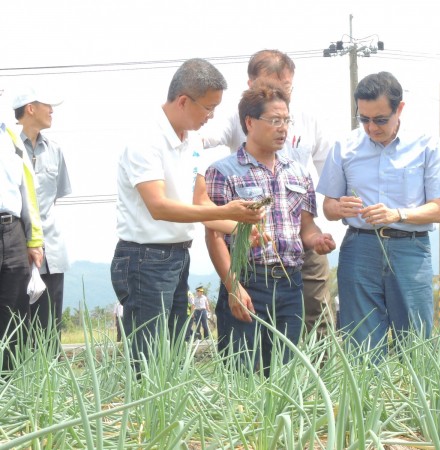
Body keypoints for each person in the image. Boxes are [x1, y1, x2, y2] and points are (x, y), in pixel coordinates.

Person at [110, 58, 266, 366]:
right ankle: (145, 412)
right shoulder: (145, 141)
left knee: (173, 353)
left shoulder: (192, 140)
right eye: (208, 108)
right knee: (149, 358)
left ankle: (161, 412)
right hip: (144, 258)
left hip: (178, 256)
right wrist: (227, 210)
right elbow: (158, 206)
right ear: (183, 101)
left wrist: (239, 223)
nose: (211, 116)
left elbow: (201, 202)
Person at [317, 72, 440, 355]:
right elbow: (328, 207)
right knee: (361, 343)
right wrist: (339, 208)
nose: (371, 127)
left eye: (380, 119)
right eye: (364, 119)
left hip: (410, 249)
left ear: (400, 109)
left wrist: (397, 214)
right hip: (360, 248)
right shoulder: (344, 147)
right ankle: (366, 399)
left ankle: (418, 397)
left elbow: (438, 210)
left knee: (417, 342)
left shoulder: (427, 145)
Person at [202, 82, 336, 375]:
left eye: (286, 120)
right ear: (249, 122)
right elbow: (214, 236)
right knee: (243, 376)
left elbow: (306, 226)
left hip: (290, 284)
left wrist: (317, 240)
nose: (283, 128)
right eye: (275, 120)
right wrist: (232, 287)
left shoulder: (298, 172)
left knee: (285, 376)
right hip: (247, 281)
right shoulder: (222, 172)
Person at [13, 88, 72, 337]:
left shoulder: (55, 151)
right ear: (30, 108)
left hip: (51, 251)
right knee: (17, 329)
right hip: (14, 250)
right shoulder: (8, 148)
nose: (52, 111)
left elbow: (52, 200)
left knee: (49, 331)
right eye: (48, 105)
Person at [0, 97, 44, 372]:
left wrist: (34, 240)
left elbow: (28, 192)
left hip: (12, 230)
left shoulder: (11, 138)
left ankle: (10, 390)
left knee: (14, 314)